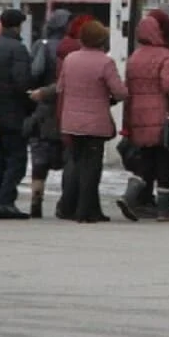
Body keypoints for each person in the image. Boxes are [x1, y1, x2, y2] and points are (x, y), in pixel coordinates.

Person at [117, 9, 169, 223]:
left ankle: (131, 196)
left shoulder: (135, 56)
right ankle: (163, 210)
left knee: (147, 158)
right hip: (161, 116)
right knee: (164, 160)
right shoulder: (165, 55)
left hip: (139, 115)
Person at [56, 20, 127, 223]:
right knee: (92, 168)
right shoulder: (105, 62)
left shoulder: (70, 59)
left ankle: (77, 207)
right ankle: (86, 211)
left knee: (77, 164)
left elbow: (61, 86)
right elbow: (120, 92)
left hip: (71, 122)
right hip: (95, 124)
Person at [0, 8, 34, 220]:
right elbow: (22, 81)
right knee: (16, 160)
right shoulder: (18, 49)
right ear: (18, 25)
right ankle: (5, 201)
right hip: (12, 112)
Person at [25, 9, 71, 218]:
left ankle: (37, 200)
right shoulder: (72, 47)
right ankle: (65, 202)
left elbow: (33, 74)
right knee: (68, 155)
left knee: (40, 157)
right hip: (66, 107)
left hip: (42, 106)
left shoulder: (40, 46)